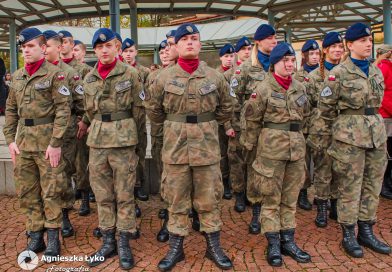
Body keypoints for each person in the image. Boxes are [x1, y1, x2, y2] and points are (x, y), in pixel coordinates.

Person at [146, 23, 234, 271]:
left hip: (206, 149)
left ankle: (213, 246)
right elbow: (154, 111)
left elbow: (226, 108)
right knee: (176, 199)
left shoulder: (215, 77)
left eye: (194, 38)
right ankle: (176, 248)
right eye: (184, 39)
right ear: (176, 44)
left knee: (210, 198)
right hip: (175, 149)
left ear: (200, 44)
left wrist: (204, 126)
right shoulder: (162, 77)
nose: (190, 42)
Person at [318, 22, 391, 258]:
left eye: (370, 40)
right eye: (362, 41)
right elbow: (325, 109)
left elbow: (377, 103)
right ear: (349, 45)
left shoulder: (376, 71)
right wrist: (339, 135)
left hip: (376, 136)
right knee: (350, 187)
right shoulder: (338, 74)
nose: (368, 44)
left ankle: (367, 231)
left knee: (372, 185)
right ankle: (348, 232)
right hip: (349, 140)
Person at [3, 27, 71, 258]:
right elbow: (11, 110)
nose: (26, 51)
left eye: (30, 46)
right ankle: (35, 235)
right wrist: (10, 140)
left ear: (43, 48)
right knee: (27, 192)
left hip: (47, 144)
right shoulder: (18, 75)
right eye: (23, 47)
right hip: (23, 144)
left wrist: (56, 142)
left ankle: (53, 237)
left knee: (51, 191)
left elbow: (63, 110)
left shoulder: (55, 74)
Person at [241, 42, 311, 266]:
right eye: (285, 61)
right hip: (270, 151)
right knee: (271, 198)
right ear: (274, 64)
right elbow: (251, 121)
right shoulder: (263, 89)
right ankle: (272, 243)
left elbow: (306, 116)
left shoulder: (300, 87)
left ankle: (288, 240)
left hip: (296, 151)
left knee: (290, 200)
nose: (290, 65)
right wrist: (252, 149)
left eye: (292, 61)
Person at [80, 28, 141, 270]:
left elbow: (139, 109)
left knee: (125, 193)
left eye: (108, 46)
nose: (104, 50)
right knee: (102, 194)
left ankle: (124, 240)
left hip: (124, 141)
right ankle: (108, 241)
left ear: (117, 47)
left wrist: (134, 138)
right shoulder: (89, 79)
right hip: (97, 142)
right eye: (99, 47)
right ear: (95, 50)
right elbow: (88, 110)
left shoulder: (131, 73)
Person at [232, 23, 277, 234]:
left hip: (275, 130)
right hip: (252, 130)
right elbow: (234, 100)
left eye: (274, 37)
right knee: (253, 169)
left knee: (273, 171)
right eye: (269, 38)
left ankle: (272, 210)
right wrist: (237, 127)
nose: (273, 41)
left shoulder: (279, 64)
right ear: (258, 42)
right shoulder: (245, 69)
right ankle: (256, 211)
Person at [43, 30, 84, 238]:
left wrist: (80, 123)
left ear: (59, 48)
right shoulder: (36, 73)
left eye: (47, 46)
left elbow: (81, 103)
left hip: (65, 135)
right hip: (41, 135)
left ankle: (65, 214)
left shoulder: (69, 73)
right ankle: (47, 216)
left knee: (63, 175)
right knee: (46, 177)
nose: (44, 50)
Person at [306, 32, 344, 227]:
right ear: (326, 50)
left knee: (339, 169)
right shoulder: (313, 77)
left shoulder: (346, 72)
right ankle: (321, 206)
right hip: (321, 130)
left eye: (340, 46)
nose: (338, 50)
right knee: (322, 169)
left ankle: (335, 205)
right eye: (334, 47)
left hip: (343, 131)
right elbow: (309, 105)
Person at [59, 30, 93, 217]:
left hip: (77, 120)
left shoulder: (83, 70)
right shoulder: (53, 68)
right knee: (64, 165)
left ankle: (85, 196)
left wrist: (83, 121)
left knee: (81, 161)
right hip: (59, 124)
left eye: (65, 42)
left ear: (72, 45)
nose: (62, 45)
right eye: (60, 42)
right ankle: (67, 199)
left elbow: (86, 99)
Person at [121, 37, 150, 203]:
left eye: (131, 51)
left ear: (136, 52)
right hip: (123, 123)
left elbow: (148, 96)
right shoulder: (119, 71)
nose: (128, 54)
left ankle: (140, 186)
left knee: (140, 154)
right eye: (125, 51)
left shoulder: (144, 72)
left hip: (139, 120)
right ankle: (129, 189)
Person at [294, 39, 321, 211]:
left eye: (317, 53)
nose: (315, 56)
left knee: (321, 160)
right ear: (304, 56)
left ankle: (321, 193)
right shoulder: (297, 76)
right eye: (311, 53)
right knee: (304, 161)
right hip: (304, 124)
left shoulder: (324, 73)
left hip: (319, 125)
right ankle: (302, 192)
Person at [216, 43, 236, 199]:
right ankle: (225, 182)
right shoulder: (216, 75)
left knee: (234, 154)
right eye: (226, 56)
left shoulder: (236, 74)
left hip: (234, 120)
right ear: (221, 58)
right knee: (222, 153)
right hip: (220, 122)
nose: (229, 59)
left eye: (231, 56)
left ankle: (234, 182)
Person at [376, 44, 392, 200]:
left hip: (387, 114)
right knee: (387, 154)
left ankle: (387, 184)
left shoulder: (386, 66)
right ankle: (385, 185)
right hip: (386, 116)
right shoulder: (383, 67)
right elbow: (383, 94)